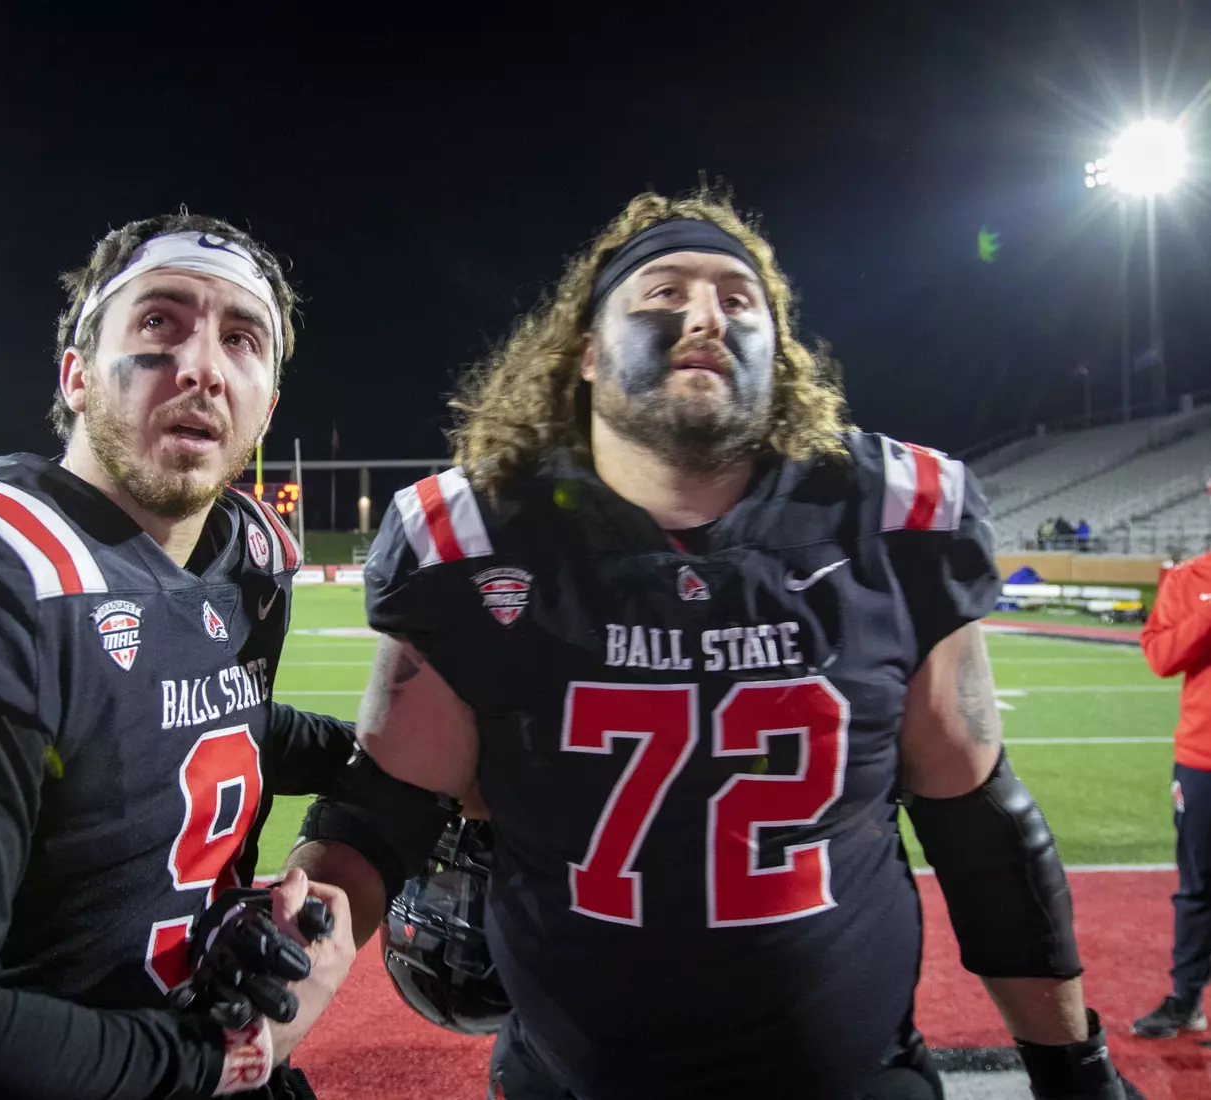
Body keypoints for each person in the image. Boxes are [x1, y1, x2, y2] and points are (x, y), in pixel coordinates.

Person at [288, 191, 1133, 1099]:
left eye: (740, 298)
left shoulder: (890, 517)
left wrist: (1075, 1071)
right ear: (582, 352)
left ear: (781, 351)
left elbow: (981, 833)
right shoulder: (477, 538)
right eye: (662, 291)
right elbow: (380, 820)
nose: (704, 313)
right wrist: (282, 959)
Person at [0, 214, 362, 1099]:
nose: (203, 367)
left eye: (242, 339)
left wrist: (389, 760)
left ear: (267, 403)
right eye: (158, 322)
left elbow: (206, 716)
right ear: (75, 375)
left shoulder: (246, 558)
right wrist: (228, 1058)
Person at [1136, 550, 1211, 1038]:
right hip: (1203, 757)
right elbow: (1162, 658)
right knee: (1198, 887)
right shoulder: (1190, 578)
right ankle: (1185, 1000)